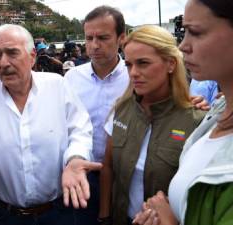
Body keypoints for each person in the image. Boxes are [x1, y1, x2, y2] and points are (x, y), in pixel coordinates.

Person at [0, 24, 102, 225]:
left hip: (58, 212)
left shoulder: (57, 85)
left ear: (32, 56)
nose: (3, 62)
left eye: (12, 53)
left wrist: (75, 158)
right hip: (5, 215)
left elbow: (80, 130)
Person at [133, 0, 233, 225]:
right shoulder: (216, 114)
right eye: (184, 32)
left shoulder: (197, 114)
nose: (182, 46)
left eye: (195, 32)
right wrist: (168, 208)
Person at [98, 25, 205, 225]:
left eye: (143, 63)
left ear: (171, 64)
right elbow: (108, 166)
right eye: (129, 64)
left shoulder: (197, 121)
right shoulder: (122, 109)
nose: (134, 73)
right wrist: (104, 217)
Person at [64, 6, 130, 225]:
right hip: (82, 176)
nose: (94, 45)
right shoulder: (72, 78)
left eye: (102, 37)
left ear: (122, 37)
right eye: (89, 38)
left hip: (125, 178)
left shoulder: (135, 77)